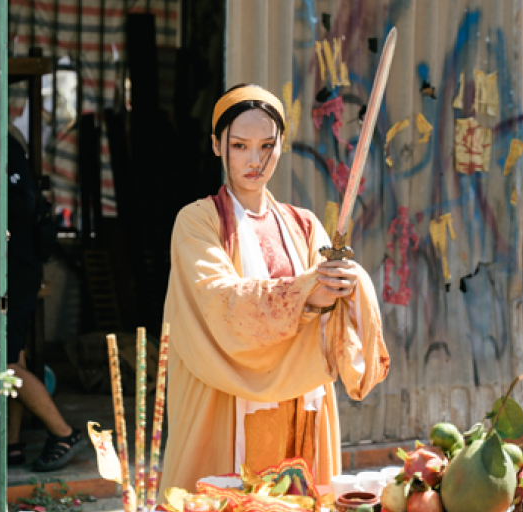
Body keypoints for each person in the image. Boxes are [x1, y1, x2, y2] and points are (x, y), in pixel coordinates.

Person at [159, 85, 390, 492]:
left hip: (301, 405)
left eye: (266, 145)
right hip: (226, 400)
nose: (255, 160)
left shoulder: (305, 226)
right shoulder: (197, 222)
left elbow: (334, 317)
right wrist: (305, 294)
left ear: (281, 145)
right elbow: (220, 301)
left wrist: (346, 285)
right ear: (216, 145)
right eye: (240, 146)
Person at [6, 126, 87, 471]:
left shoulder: (5, 148)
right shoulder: (5, 147)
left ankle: (63, 432)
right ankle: (11, 446)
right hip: (15, 268)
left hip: (14, 271)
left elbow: (19, 204)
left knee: (1, 364)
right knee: (14, 358)